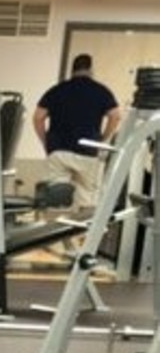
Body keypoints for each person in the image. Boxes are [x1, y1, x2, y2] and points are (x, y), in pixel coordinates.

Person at [32, 53, 121, 232]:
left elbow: (38, 117)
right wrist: (103, 138)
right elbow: (115, 116)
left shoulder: (57, 90)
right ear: (91, 69)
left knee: (56, 197)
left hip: (59, 150)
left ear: (72, 70)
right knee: (87, 198)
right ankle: (84, 238)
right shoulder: (101, 90)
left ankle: (52, 237)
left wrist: (45, 141)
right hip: (88, 151)